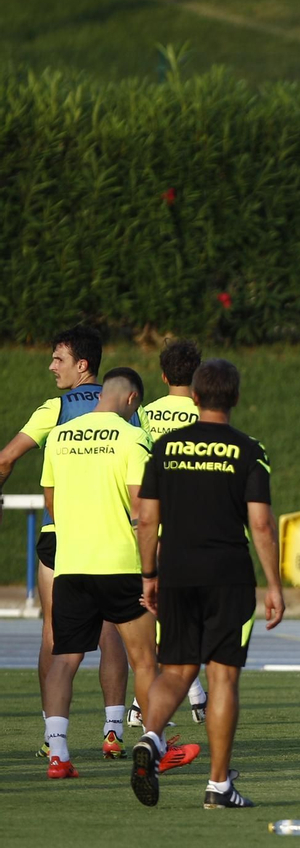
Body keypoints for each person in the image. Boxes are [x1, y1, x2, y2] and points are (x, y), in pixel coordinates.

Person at [130, 359, 284, 807]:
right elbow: (261, 525)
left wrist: (149, 574)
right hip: (227, 576)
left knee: (176, 670)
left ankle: (152, 739)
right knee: (223, 679)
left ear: (194, 397)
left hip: (176, 571)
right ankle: (218, 786)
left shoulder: (165, 448)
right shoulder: (249, 450)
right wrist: (274, 584)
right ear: (234, 399)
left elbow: (146, 519)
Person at [40, 368, 197, 780]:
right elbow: (141, 511)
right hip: (122, 564)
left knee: (64, 659)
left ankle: (58, 753)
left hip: (72, 564)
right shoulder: (133, 437)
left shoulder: (60, 437)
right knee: (144, 661)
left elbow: (50, 499)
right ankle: (154, 746)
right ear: (131, 401)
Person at [0, 325, 132, 759]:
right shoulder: (127, 406)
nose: (51, 365)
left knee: (54, 637)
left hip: (61, 540)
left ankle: (52, 738)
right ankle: (114, 730)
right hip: (113, 539)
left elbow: (6, 457)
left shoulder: (55, 408)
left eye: (58, 358)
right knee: (112, 631)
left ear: (82, 365)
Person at [139, 337, 209, 725]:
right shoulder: (205, 412)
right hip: (194, 523)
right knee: (190, 610)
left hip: (152, 517)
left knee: (155, 607)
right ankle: (195, 695)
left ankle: (145, 701)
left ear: (163, 374)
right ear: (197, 375)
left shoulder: (145, 413)